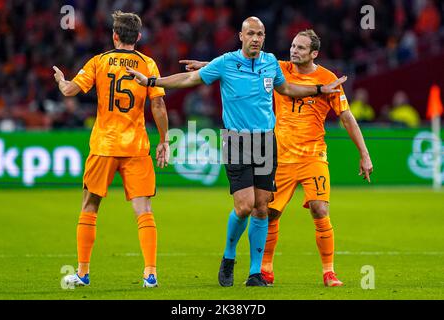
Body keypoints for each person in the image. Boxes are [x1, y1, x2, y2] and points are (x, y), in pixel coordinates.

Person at [127, 17, 346, 287]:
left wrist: (320, 89)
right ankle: (229, 256)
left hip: (266, 142)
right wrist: (152, 81)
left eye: (261, 34)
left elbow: (287, 88)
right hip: (236, 142)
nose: (256, 38)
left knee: (262, 208)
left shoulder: (269, 63)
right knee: (244, 207)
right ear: (241, 36)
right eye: (251, 33)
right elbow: (189, 79)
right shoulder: (226, 62)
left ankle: (255, 273)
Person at [52, 11, 169, 288]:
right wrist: (164, 140)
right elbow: (159, 105)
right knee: (144, 209)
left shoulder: (99, 62)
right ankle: (150, 274)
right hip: (136, 146)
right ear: (138, 37)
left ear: (114, 35)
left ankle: (82, 273)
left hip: (104, 145)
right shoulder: (148, 64)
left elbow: (70, 91)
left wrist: (60, 80)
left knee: (90, 205)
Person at [261, 30, 373, 286]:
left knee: (320, 208)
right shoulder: (278, 68)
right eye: (292, 46)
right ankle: (266, 269)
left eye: (300, 48)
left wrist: (364, 154)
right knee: (270, 214)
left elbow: (346, 117)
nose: (293, 51)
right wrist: (208, 68)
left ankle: (329, 272)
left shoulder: (328, 79)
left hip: (313, 155)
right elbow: (242, 63)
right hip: (282, 157)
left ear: (314, 53)